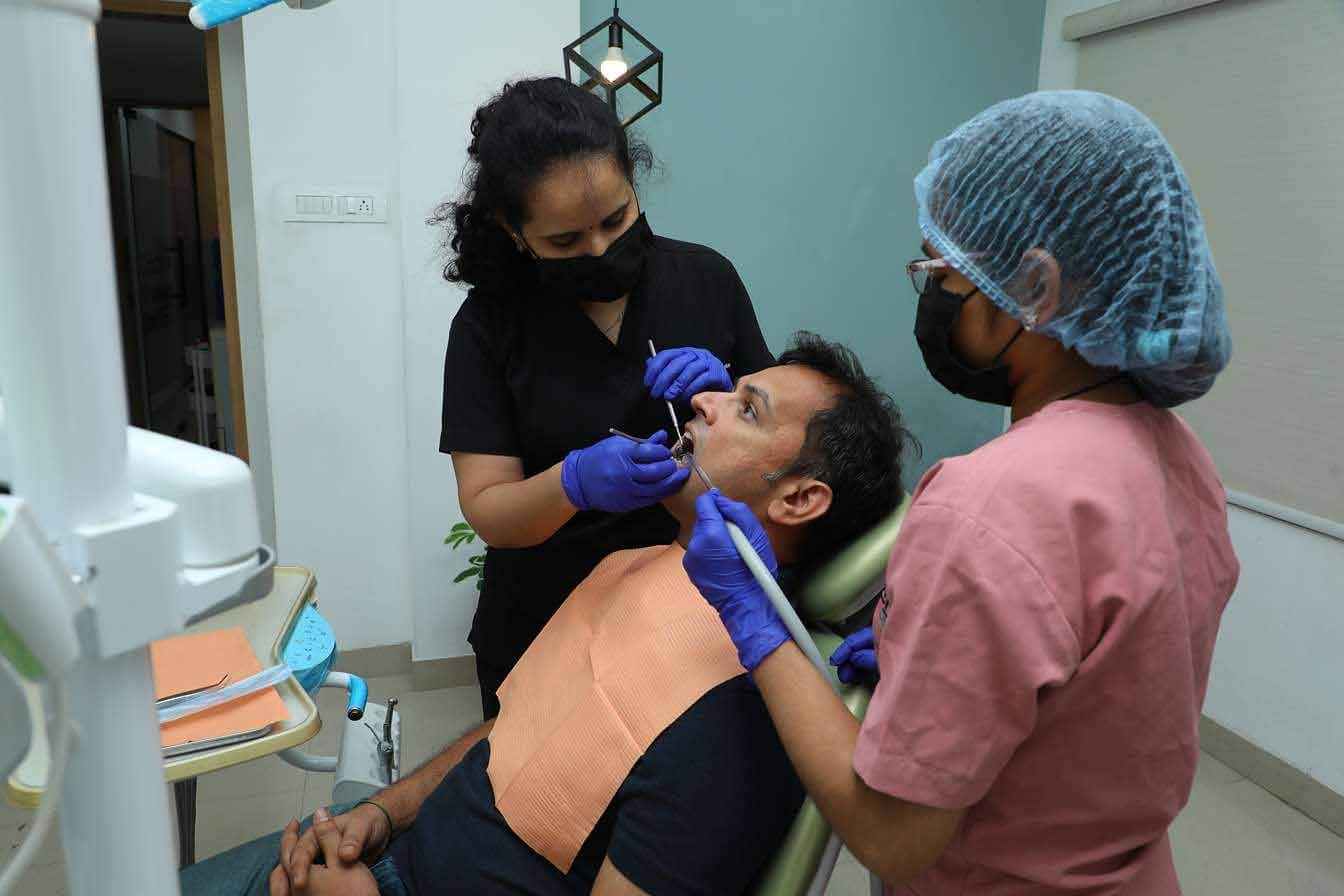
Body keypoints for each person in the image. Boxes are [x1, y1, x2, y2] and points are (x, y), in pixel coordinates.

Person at [686, 91, 1240, 894]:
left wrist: (755, 618)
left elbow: (891, 835)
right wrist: (935, 668)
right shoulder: (1182, 460)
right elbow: (1086, 698)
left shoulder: (988, 505)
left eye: (942, 272)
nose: (931, 294)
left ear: (1036, 285)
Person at [180, 333, 914, 896]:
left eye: (744, 408)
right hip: (386, 856)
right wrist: (383, 815)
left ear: (796, 500)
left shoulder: (738, 724)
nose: (704, 399)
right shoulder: (642, 567)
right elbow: (514, 733)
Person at [437, 77, 776, 719]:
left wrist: (727, 386)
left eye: (616, 220)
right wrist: (573, 482)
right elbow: (489, 508)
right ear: (515, 231)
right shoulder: (489, 326)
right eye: (566, 241)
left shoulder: (706, 280)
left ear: (634, 186)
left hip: (692, 618)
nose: (599, 249)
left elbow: (783, 438)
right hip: (544, 626)